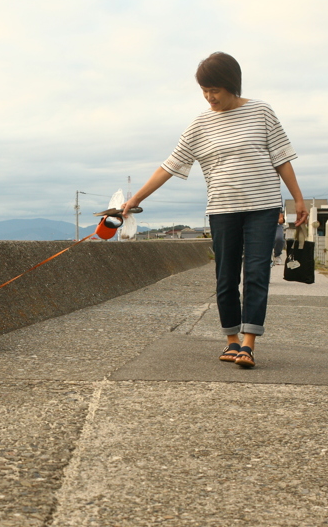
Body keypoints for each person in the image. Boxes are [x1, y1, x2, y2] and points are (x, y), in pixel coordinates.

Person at [121, 52, 307, 368]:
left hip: (263, 207)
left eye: (215, 90)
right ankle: (231, 340)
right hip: (222, 209)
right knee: (225, 276)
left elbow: (281, 158)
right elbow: (169, 165)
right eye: (204, 90)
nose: (209, 97)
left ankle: (248, 344)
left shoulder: (261, 111)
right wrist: (136, 198)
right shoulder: (200, 124)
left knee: (257, 273)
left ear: (232, 85)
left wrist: (298, 200)